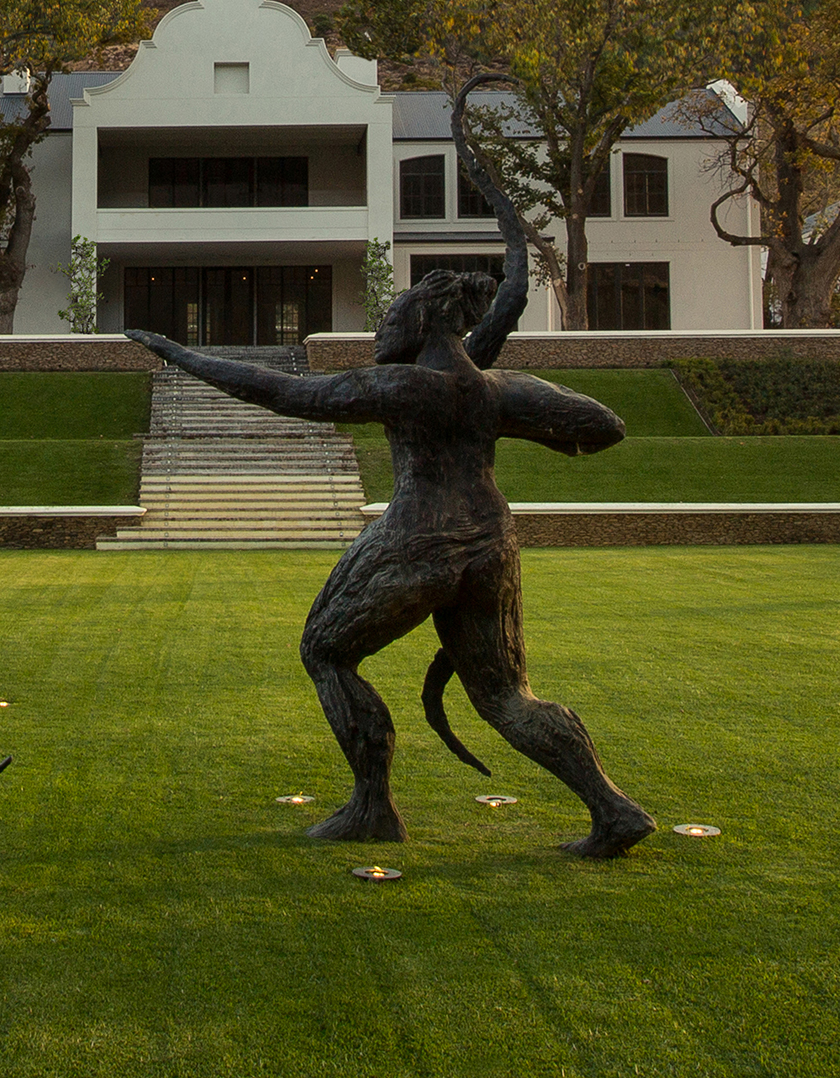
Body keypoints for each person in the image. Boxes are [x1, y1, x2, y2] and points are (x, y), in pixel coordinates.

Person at [123, 141, 655, 856]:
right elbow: (602, 427)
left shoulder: (403, 387)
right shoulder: (493, 388)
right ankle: (611, 808)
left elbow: (279, 391)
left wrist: (177, 352)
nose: (382, 328)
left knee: (325, 651)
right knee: (505, 697)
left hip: (422, 534)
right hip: (491, 537)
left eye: (392, 316)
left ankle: (372, 807)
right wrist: (528, 422)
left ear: (423, 321)